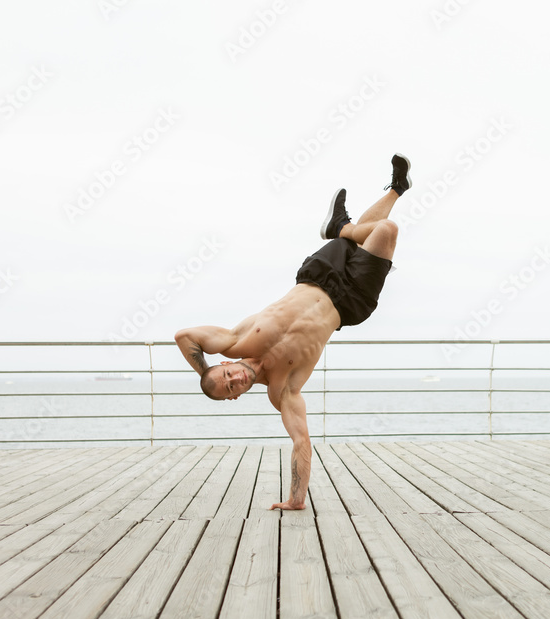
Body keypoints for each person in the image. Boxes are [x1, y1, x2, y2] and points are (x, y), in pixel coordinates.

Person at [174, 154, 412, 510]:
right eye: (230, 390)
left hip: (318, 276)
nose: (234, 380)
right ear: (235, 397)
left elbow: (184, 336)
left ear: (224, 363)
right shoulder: (282, 390)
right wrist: (296, 500)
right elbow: (301, 441)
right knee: (386, 231)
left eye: (226, 375)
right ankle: (343, 227)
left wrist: (204, 373)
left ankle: (395, 190)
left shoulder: (235, 341)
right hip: (349, 303)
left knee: (365, 236)